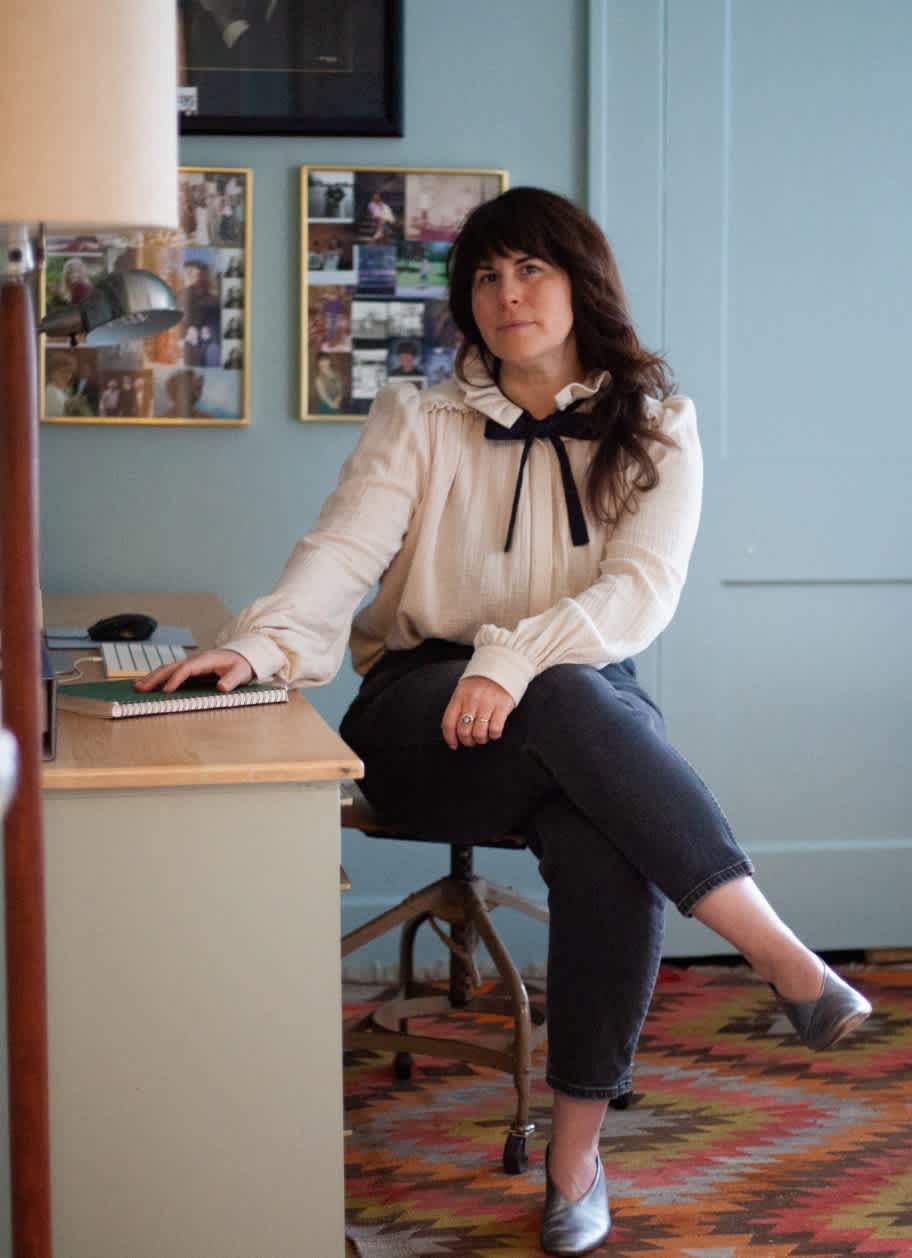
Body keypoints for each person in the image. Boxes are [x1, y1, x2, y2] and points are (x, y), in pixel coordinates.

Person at [137, 187, 872, 1256]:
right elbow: (343, 551)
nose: (507, 293)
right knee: (577, 704)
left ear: (581, 282)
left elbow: (642, 592)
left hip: (577, 702)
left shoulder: (657, 419)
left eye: (531, 269)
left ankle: (573, 1160)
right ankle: (780, 956)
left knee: (601, 832)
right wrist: (258, 645)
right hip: (422, 712)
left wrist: (518, 657)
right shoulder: (417, 417)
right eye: (486, 276)